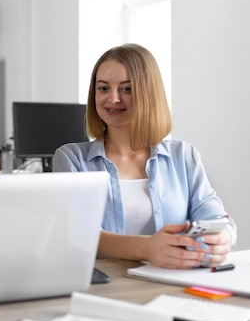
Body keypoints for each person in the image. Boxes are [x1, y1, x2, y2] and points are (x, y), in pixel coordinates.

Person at [53, 43, 236, 269]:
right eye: (103, 88)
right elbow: (77, 233)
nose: (113, 98)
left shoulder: (184, 156)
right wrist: (148, 248)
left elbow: (217, 218)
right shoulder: (72, 159)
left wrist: (224, 238)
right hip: (109, 287)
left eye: (126, 89)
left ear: (149, 93)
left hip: (174, 282)